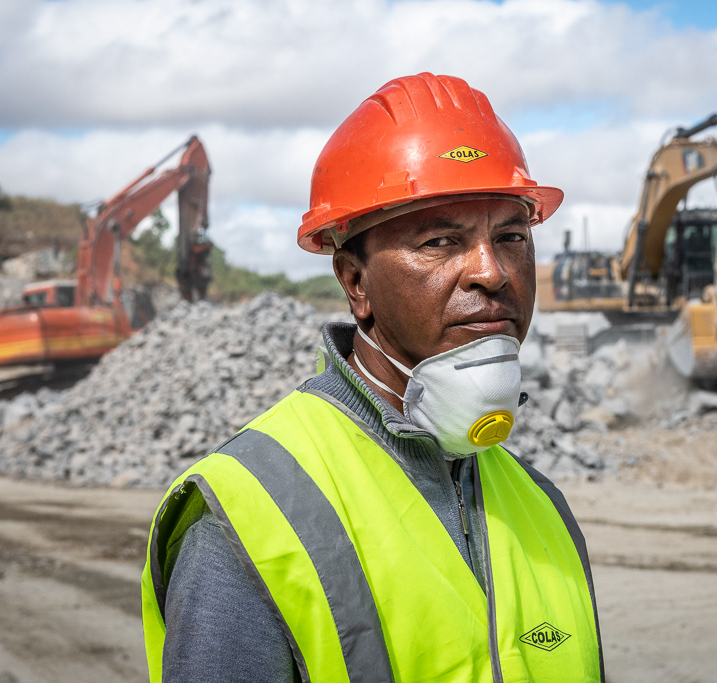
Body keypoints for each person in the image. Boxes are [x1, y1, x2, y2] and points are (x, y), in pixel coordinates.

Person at [142, 72, 605, 682]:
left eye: (512, 236)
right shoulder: (252, 516)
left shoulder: (541, 505)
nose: (492, 272)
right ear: (354, 282)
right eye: (440, 241)